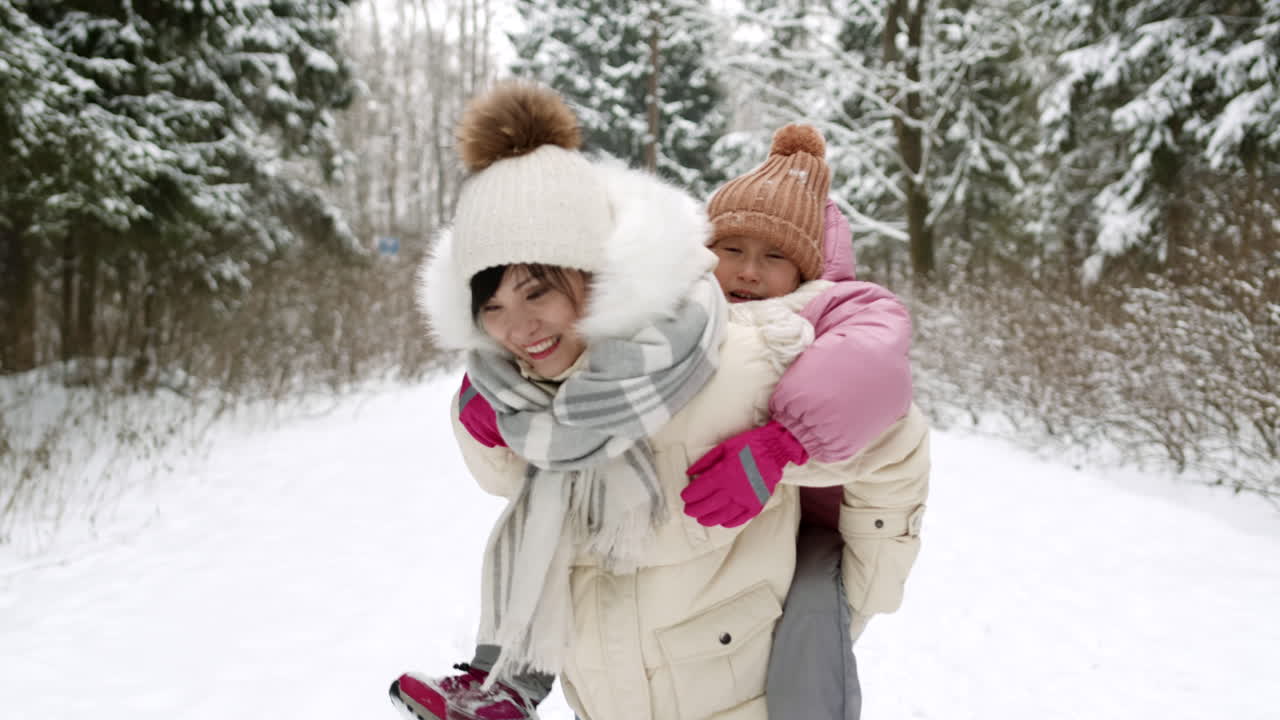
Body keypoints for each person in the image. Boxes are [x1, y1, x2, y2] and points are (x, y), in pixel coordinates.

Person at [390, 82, 928, 720]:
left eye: (537, 293)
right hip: (605, 692)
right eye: (494, 308)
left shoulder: (760, 348)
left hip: (733, 688)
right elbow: (513, 485)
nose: (749, 273)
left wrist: (842, 600)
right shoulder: (556, 366)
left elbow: (895, 444)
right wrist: (484, 425)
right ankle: (505, 682)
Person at [682, 124, 930, 720]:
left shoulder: (837, 304)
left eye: (773, 257)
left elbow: (867, 363)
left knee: (813, 607)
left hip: (811, 517)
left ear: (807, 270)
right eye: (731, 250)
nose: (747, 271)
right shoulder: (686, 307)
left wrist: (782, 440)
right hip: (700, 507)